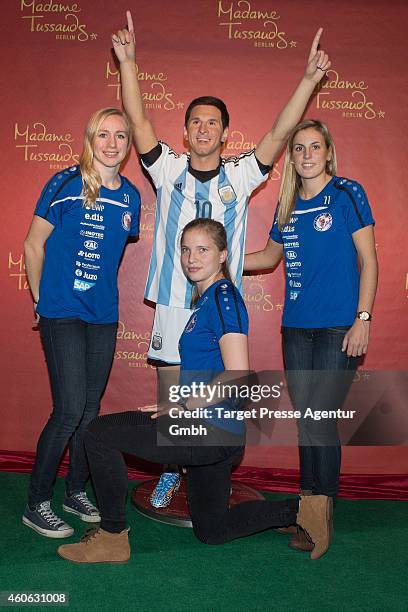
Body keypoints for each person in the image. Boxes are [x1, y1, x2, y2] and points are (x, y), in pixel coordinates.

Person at [111, 11, 331, 507]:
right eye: (196, 122)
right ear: (186, 132)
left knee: (223, 387)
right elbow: (139, 120)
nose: (203, 128)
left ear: (225, 133)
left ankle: (212, 470)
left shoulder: (242, 173)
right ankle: (171, 468)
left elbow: (278, 133)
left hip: (218, 303)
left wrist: (309, 80)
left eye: (213, 122)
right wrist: (128, 63)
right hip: (172, 297)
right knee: (173, 393)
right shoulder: (167, 167)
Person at [57, 218, 333, 564]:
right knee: (212, 530)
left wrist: (185, 402)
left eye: (202, 249)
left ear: (222, 255)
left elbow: (239, 374)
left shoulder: (222, 298)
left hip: (208, 431)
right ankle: (304, 510)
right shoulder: (206, 300)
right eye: (186, 249)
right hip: (215, 433)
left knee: (99, 433)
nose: (191, 257)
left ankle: (112, 538)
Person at [244, 119, 378, 551]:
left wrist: (363, 319)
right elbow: (267, 258)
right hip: (296, 330)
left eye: (313, 147)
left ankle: (321, 515)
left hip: (339, 327)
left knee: (320, 422)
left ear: (327, 152)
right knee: (308, 423)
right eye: (298, 148)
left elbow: (370, 262)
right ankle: (308, 508)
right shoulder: (286, 207)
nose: (305, 155)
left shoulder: (347, 194)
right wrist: (220, 261)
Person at [22, 107, 141, 538]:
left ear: (129, 146)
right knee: (69, 410)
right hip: (62, 313)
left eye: (121, 137)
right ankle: (36, 501)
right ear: (90, 139)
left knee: (90, 413)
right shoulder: (64, 184)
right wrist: (41, 299)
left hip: (103, 317)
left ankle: (75, 490)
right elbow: (33, 246)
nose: (112, 144)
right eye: (103, 135)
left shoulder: (130, 197)